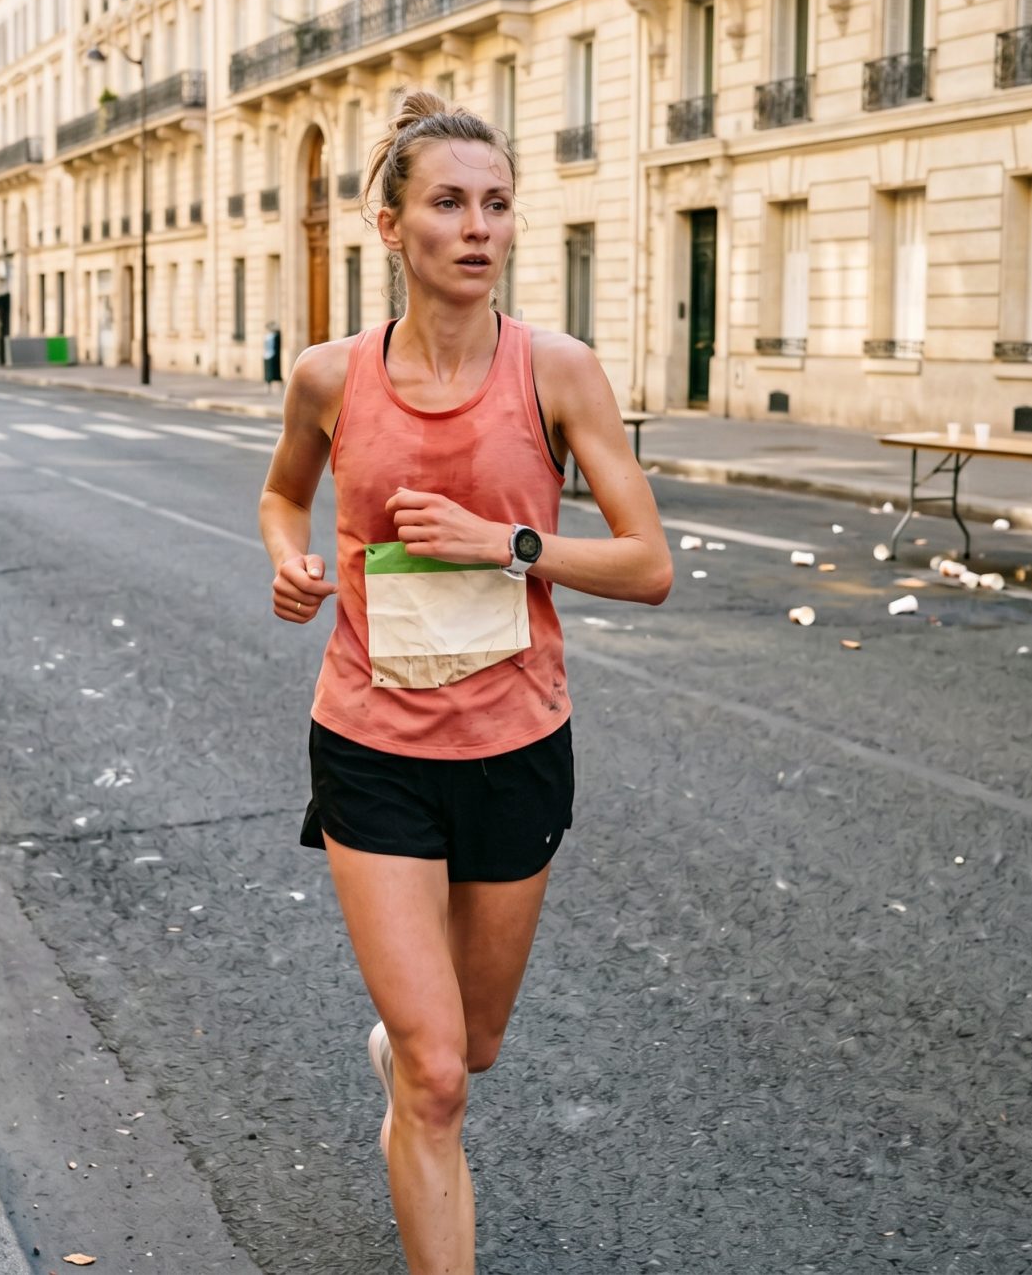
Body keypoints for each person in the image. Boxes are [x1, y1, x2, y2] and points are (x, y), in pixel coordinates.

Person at [258, 91, 673, 1274]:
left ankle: (411, 1063)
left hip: (515, 746)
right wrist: (289, 561)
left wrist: (510, 544)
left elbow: (650, 567)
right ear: (390, 229)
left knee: (469, 1047)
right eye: (448, 203)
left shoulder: (559, 372)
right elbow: (285, 494)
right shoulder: (331, 378)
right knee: (439, 1079)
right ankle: (414, 1081)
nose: (478, 228)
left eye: (496, 205)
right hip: (371, 746)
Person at [263, 319, 283, 392]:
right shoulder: (268, 336)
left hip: (272, 355)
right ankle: (268, 385)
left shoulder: (275, 336)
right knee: (268, 372)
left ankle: (276, 386)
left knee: (274, 372)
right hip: (268, 355)